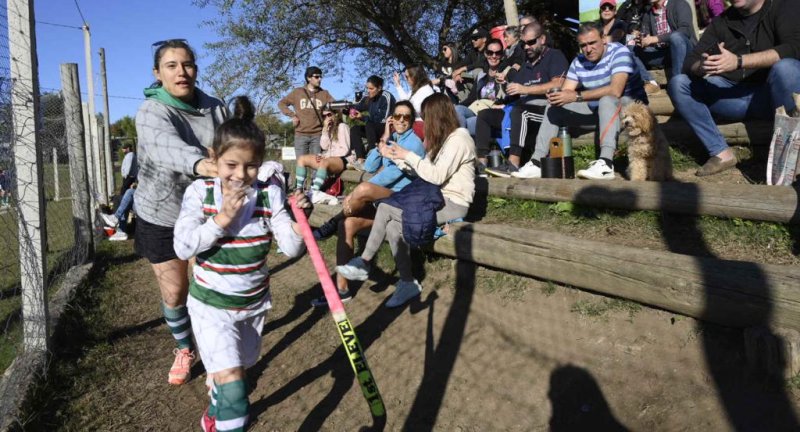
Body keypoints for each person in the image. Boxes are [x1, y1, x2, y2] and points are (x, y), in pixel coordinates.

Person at [173, 96, 310, 431]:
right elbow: (183, 246)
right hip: (210, 307)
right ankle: (226, 412)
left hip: (253, 307)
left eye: (250, 166)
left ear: (260, 163)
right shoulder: (200, 193)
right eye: (231, 165)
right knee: (236, 387)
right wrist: (221, 219)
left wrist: (299, 221)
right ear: (214, 159)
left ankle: (213, 414)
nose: (240, 175)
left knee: (237, 376)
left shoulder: (268, 194)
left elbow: (292, 250)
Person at [134, 39, 228, 385]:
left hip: (206, 212)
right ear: (157, 73)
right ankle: (185, 348)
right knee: (175, 291)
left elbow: (235, 143)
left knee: (210, 288)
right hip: (161, 212)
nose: (181, 72)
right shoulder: (151, 110)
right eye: (171, 65)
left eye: (187, 64)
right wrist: (202, 163)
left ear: (196, 69)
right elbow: (164, 148)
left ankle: (220, 353)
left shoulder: (216, 108)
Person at [337, 93, 475, 308]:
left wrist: (407, 155)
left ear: (438, 116)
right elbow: (425, 171)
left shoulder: (460, 137)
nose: (425, 123)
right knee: (392, 225)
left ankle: (365, 262)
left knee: (386, 207)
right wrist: (397, 156)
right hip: (435, 198)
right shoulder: (445, 141)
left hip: (453, 203)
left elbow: (436, 175)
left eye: (426, 118)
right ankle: (407, 282)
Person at [310, 101, 426, 307]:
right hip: (383, 203)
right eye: (397, 116)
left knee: (363, 189)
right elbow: (371, 165)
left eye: (406, 117)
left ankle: (331, 221)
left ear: (411, 119)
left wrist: (357, 192)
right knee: (346, 225)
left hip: (402, 200)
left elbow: (393, 174)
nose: (401, 121)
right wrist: (383, 139)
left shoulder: (414, 143)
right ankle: (341, 289)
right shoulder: (391, 140)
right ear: (391, 118)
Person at [667, 0, 800, 176]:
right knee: (679, 83)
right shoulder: (722, 21)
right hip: (732, 96)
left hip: (775, 96)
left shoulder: (784, 6)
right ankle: (721, 152)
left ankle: (792, 154)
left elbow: (793, 48)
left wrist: (738, 62)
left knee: (786, 68)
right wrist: (704, 65)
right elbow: (690, 62)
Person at [526, 23, 647, 180]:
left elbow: (615, 90)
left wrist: (576, 96)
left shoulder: (619, 52)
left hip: (630, 111)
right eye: (583, 45)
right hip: (598, 111)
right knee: (554, 106)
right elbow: (567, 93)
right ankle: (537, 162)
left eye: (592, 43)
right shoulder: (579, 61)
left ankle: (606, 164)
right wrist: (557, 97)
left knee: (607, 100)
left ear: (603, 39)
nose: (588, 49)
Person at [477, 22, 569, 178]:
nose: (526, 47)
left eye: (531, 42)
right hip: (521, 108)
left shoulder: (555, 56)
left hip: (546, 111)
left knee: (520, 112)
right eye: (524, 43)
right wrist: (504, 91)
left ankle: (513, 163)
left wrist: (524, 89)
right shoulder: (526, 65)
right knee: (484, 115)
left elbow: (558, 83)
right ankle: (481, 166)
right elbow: (516, 90)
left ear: (542, 39)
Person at [294, 107, 355, 203]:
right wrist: (325, 130)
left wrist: (326, 155)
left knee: (324, 162)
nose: (327, 118)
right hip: (329, 158)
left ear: (336, 114)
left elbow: (345, 150)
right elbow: (324, 146)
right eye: (324, 116)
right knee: (302, 159)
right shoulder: (329, 128)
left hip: (344, 159)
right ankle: (298, 190)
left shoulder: (342, 126)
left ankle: (314, 192)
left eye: (329, 114)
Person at [453, 38, 508, 137]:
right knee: (456, 110)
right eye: (490, 53)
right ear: (486, 54)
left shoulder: (507, 72)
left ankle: (461, 145)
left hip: (493, 112)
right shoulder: (481, 74)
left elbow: (510, 96)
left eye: (497, 53)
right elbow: (472, 98)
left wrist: (505, 82)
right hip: (476, 108)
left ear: (502, 55)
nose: (494, 56)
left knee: (467, 123)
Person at [277, 66, 335, 157]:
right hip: (301, 135)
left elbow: (335, 106)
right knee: (301, 165)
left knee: (316, 165)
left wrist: (330, 114)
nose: (319, 79)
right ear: (308, 78)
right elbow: (281, 103)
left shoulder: (325, 93)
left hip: (318, 135)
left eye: (320, 77)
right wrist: (292, 115)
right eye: (316, 77)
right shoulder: (298, 92)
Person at [635, 0, 698, 79]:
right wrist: (642, 40)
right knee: (630, 49)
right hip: (662, 53)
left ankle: (678, 82)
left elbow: (685, 30)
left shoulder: (680, 3)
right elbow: (646, 35)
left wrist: (656, 38)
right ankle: (649, 81)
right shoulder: (648, 13)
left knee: (676, 37)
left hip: (684, 50)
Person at [348, 75, 395, 167]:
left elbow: (384, 119)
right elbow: (356, 107)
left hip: (385, 128)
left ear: (379, 88)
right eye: (367, 88)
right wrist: (351, 112)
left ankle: (373, 157)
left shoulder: (386, 97)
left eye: (371, 88)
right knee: (355, 128)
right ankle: (360, 158)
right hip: (371, 128)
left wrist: (362, 117)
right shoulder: (367, 98)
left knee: (369, 124)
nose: (368, 91)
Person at [393, 65, 437, 137]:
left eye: (407, 77)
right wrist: (398, 85)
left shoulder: (426, 90)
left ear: (414, 76)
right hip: (413, 123)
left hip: (421, 125)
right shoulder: (413, 91)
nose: (406, 80)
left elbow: (415, 108)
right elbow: (406, 102)